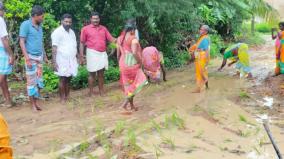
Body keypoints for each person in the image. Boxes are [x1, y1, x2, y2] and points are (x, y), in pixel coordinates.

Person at [80, 12, 116, 96]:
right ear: (91, 19)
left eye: (97, 18)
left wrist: (116, 45)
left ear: (99, 19)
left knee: (101, 74)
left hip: (102, 53)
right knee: (92, 74)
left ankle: (101, 91)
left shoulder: (103, 28)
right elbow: (82, 43)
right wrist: (81, 56)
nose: (95, 20)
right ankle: (91, 92)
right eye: (94, 18)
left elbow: (112, 40)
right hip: (91, 52)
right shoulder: (85, 29)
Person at [19, 5, 48, 111]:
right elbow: (22, 42)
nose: (43, 18)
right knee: (31, 82)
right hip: (30, 57)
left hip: (39, 57)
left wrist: (44, 55)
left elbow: (41, 42)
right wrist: (26, 58)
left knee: (39, 82)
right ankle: (32, 105)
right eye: (41, 16)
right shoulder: (25, 25)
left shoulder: (40, 26)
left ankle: (36, 102)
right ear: (35, 15)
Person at [117, 22, 148, 112]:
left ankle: (131, 106)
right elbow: (134, 53)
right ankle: (124, 104)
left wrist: (120, 63)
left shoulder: (119, 39)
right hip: (132, 65)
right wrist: (140, 62)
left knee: (128, 86)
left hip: (123, 64)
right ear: (133, 30)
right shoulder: (133, 39)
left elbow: (118, 54)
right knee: (138, 83)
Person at [51, 14, 78, 103]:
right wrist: (54, 62)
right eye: (66, 21)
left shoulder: (72, 32)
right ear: (62, 21)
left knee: (69, 78)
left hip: (71, 59)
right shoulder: (57, 32)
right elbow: (54, 48)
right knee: (62, 79)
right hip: (61, 60)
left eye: (70, 22)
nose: (68, 23)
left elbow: (74, 46)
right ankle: (62, 98)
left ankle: (67, 96)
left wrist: (77, 57)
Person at [188, 25, 210, 93]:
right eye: (200, 29)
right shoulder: (203, 37)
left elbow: (207, 50)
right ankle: (205, 85)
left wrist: (206, 60)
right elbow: (198, 46)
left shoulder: (205, 38)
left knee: (199, 72)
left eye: (202, 29)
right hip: (199, 56)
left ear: (206, 31)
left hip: (202, 57)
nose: (200, 30)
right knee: (203, 71)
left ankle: (199, 88)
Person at [0, 2, 14, 107]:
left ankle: (8, 100)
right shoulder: (0, 20)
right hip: (2, 50)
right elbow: (4, 39)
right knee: (2, 76)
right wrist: (11, 55)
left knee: (3, 78)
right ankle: (8, 100)